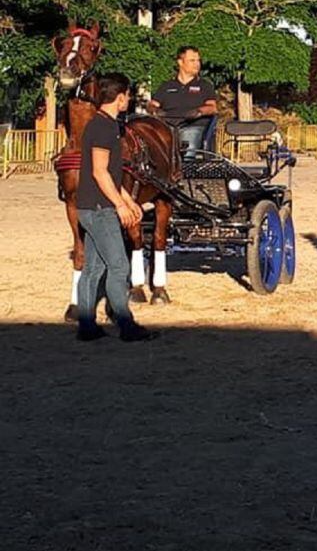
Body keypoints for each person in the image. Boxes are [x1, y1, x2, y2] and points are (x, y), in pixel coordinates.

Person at [75, 73, 158, 342]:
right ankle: (126, 324)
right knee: (119, 267)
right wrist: (120, 206)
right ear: (120, 96)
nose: (129, 100)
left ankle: (86, 326)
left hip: (89, 206)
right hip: (100, 208)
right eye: (128, 95)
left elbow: (110, 173)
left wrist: (129, 200)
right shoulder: (104, 127)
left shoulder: (101, 124)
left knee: (93, 269)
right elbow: (100, 173)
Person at [149, 45, 217, 159]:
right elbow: (152, 104)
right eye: (192, 60)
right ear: (180, 62)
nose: (197, 64)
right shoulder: (166, 86)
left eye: (198, 60)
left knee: (187, 142)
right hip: (168, 125)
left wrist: (198, 111)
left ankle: (185, 169)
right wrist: (155, 111)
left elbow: (212, 107)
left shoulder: (205, 85)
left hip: (192, 125)